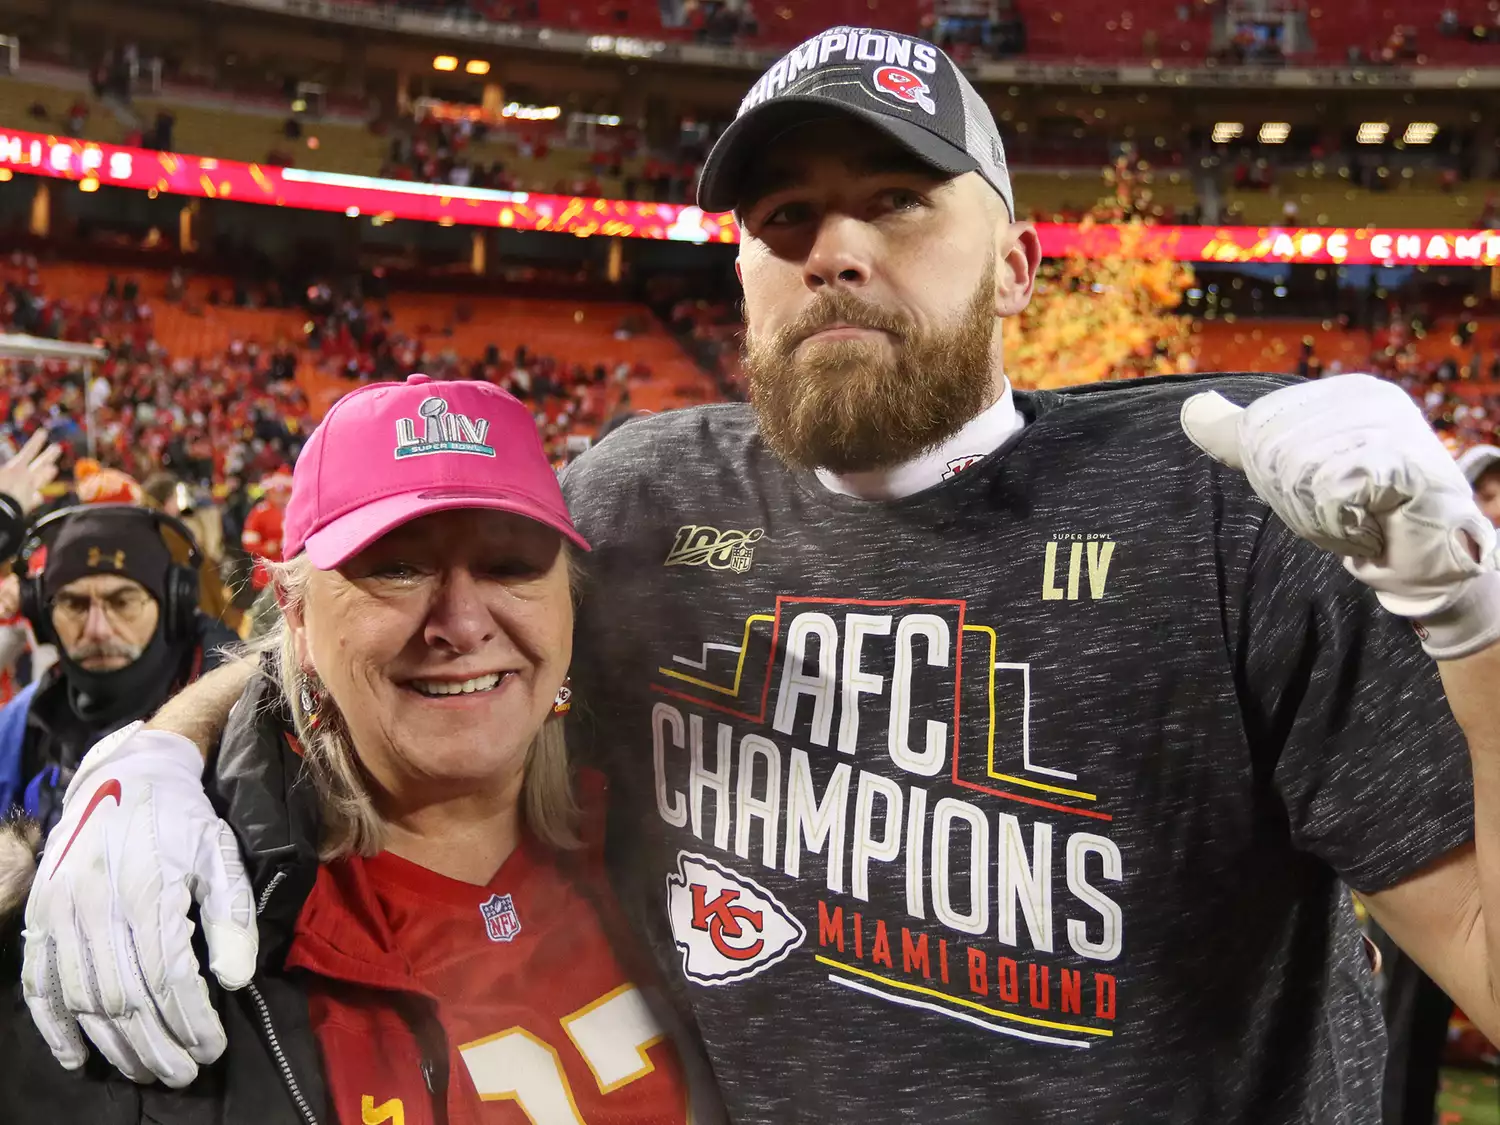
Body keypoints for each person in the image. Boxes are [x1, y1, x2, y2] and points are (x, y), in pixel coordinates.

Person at [20, 27, 1500, 1124]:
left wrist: (1471, 622)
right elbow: (391, 634)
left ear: (1019, 264)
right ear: (739, 270)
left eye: (901, 200)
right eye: (785, 219)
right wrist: (151, 754)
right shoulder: (642, 496)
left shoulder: (1228, 516)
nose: (835, 250)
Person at [0, 376, 715, 1123]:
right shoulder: (139, 926)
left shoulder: (681, 826)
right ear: (294, 613)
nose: (462, 622)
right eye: (396, 567)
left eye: (510, 563)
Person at [0, 504, 238, 830]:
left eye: (122, 601)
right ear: (45, 617)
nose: (98, 629)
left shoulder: (241, 726)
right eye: (74, 604)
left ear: (172, 606)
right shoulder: (20, 728)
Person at [241, 469, 291, 591]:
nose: (280, 496)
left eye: (284, 492)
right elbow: (248, 543)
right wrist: (264, 548)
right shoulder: (259, 513)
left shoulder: (296, 511)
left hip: (292, 572)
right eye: (276, 492)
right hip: (267, 574)